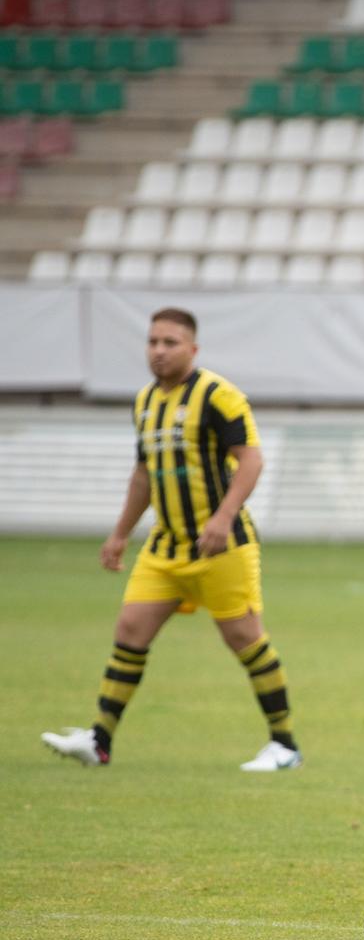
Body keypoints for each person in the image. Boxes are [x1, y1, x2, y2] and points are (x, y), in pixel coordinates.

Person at [40, 307, 300, 772]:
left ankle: (284, 745)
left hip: (223, 545)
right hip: (165, 547)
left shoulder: (219, 396)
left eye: (170, 342)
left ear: (192, 349)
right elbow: (144, 474)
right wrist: (120, 533)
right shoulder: (144, 402)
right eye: (153, 342)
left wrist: (222, 517)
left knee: (245, 639)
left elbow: (252, 460)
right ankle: (99, 741)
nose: (159, 351)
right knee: (129, 633)